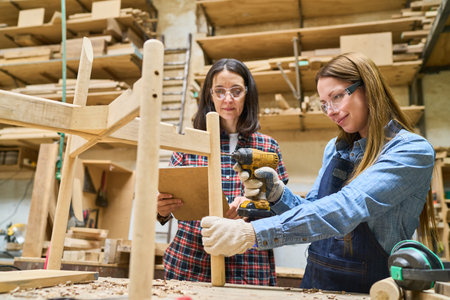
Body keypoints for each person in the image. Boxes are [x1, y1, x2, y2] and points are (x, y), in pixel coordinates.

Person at [201, 52, 436, 293]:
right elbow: (313, 212)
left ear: (369, 87)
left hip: (369, 290)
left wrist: (251, 233)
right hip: (315, 283)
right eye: (324, 103)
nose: (331, 111)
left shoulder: (410, 150)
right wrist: (278, 195)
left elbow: (346, 208)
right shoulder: (335, 149)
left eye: (336, 97)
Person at [157, 58, 289, 285]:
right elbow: (168, 203)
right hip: (192, 262)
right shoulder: (189, 143)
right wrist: (160, 209)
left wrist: (252, 207)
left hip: (248, 264)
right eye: (219, 91)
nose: (228, 99)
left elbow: (285, 210)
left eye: (236, 91)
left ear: (248, 93)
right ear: (209, 94)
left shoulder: (268, 147)